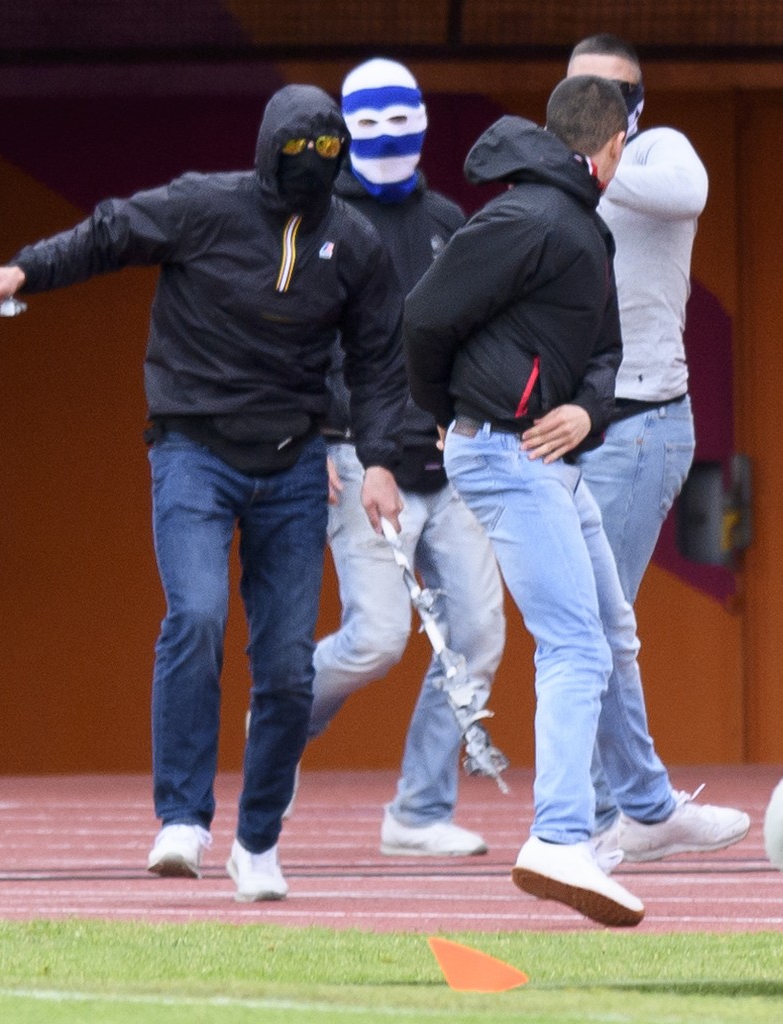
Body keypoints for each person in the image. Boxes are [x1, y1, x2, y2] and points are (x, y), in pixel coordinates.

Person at [0, 84, 408, 902]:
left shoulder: (356, 245)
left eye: (325, 159)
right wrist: (24, 268)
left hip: (294, 465)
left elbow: (380, 362)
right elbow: (108, 234)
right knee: (196, 615)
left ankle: (259, 841)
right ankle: (181, 819)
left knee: (286, 669)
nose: (310, 172)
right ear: (267, 151)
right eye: (296, 157)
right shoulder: (204, 206)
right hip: (192, 453)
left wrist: (379, 461)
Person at [407, 75, 676, 927]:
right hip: (505, 454)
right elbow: (423, 317)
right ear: (608, 150)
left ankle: (648, 807)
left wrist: (587, 409)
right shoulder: (531, 218)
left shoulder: (578, 229)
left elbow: (605, 354)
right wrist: (449, 417)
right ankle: (560, 836)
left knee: (609, 631)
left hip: (545, 457)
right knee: (575, 647)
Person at [308, 58, 505, 859]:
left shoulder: (449, 222)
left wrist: (479, 424)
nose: (389, 135)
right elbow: (299, 339)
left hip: (450, 466)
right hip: (356, 460)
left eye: (403, 117)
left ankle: (420, 810)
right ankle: (288, 706)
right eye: (371, 120)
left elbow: (473, 334)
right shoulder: (317, 222)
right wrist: (313, 431)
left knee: (480, 636)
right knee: (377, 639)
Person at [565, 33, 749, 867]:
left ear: (633, 103)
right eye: (571, 91)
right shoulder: (554, 171)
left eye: (599, 94)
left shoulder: (658, 152)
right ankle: (625, 808)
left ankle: (618, 811)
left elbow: (688, 191)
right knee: (583, 622)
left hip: (642, 425)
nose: (581, 107)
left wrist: (593, 154)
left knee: (590, 621)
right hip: (573, 429)